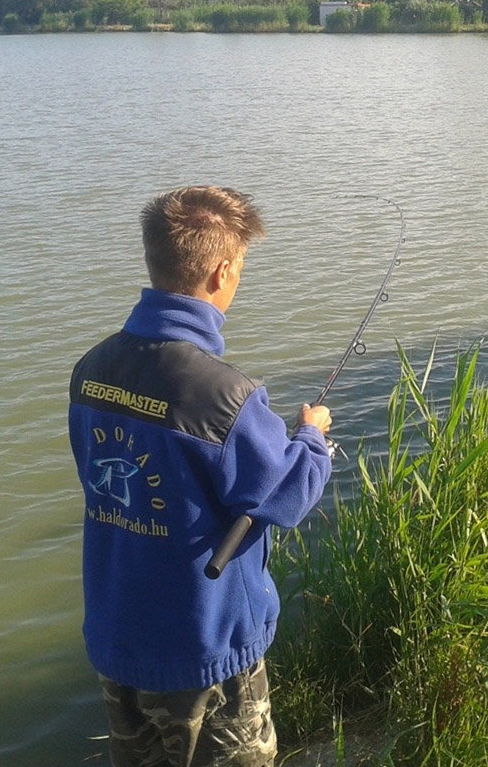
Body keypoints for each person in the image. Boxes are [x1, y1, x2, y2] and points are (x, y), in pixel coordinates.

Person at [68, 185, 333, 767]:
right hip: (205, 654)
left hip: (119, 642)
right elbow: (286, 495)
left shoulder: (90, 371)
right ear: (220, 272)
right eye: (240, 268)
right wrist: (312, 436)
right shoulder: (224, 397)